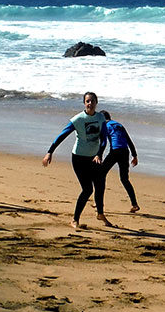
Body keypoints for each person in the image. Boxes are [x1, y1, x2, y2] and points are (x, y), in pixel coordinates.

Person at [42, 92, 114, 228]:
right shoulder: (78, 119)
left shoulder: (100, 118)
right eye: (87, 101)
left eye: (92, 101)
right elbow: (62, 135)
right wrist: (50, 152)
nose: (90, 104)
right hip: (79, 158)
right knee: (87, 190)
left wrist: (99, 154)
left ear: (96, 103)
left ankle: (100, 214)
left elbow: (104, 139)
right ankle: (75, 219)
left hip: (94, 158)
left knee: (100, 185)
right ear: (84, 103)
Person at [95, 110, 140, 213]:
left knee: (100, 175)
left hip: (115, 152)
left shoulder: (105, 126)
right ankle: (134, 204)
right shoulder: (119, 125)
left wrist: (99, 155)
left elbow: (103, 142)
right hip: (125, 152)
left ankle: (98, 203)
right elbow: (129, 140)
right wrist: (135, 155)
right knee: (124, 179)